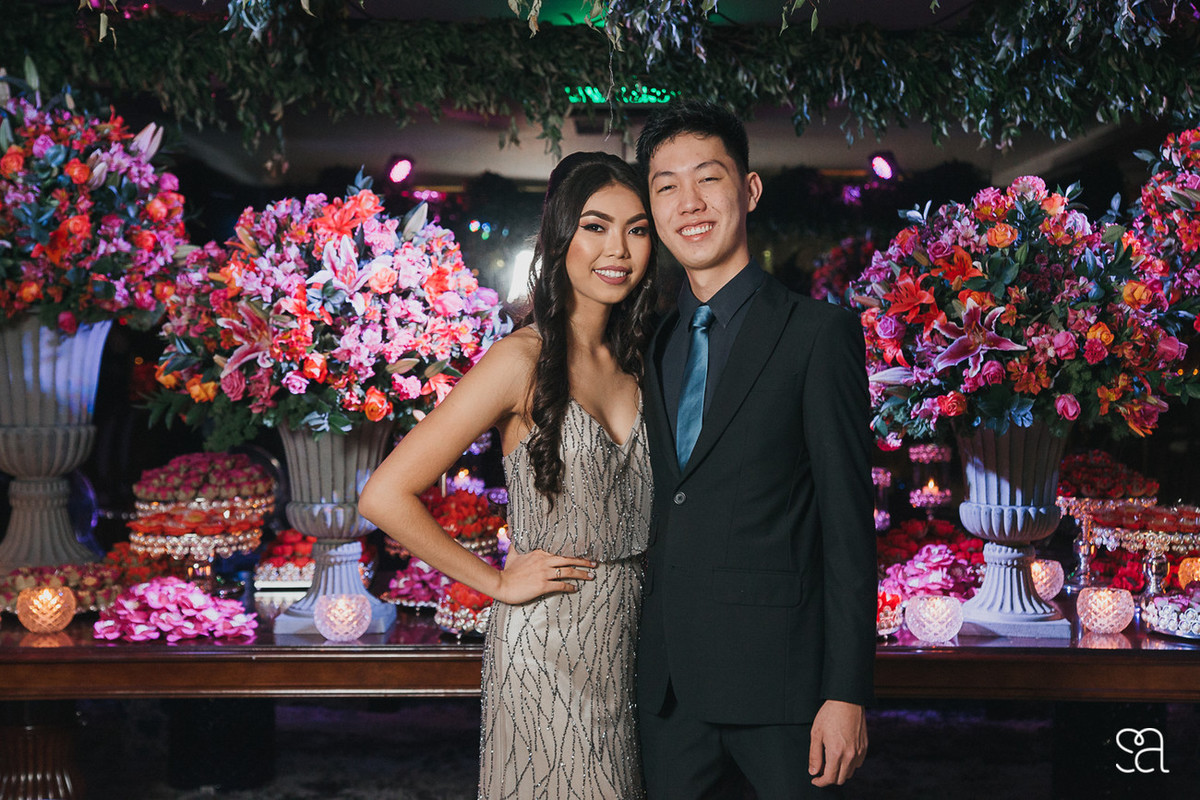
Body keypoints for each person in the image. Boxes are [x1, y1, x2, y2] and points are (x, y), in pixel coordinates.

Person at [358, 151, 658, 799]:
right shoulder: (519, 359)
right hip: (546, 646)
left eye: (637, 229)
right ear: (560, 237)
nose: (618, 249)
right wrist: (494, 581)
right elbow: (384, 495)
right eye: (596, 226)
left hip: (636, 641)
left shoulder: (640, 359)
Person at [633, 99, 876, 798]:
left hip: (785, 691)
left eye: (708, 178)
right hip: (668, 692)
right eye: (667, 186)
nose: (689, 203)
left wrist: (847, 692)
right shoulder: (653, 341)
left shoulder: (817, 334)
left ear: (749, 189)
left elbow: (847, 526)